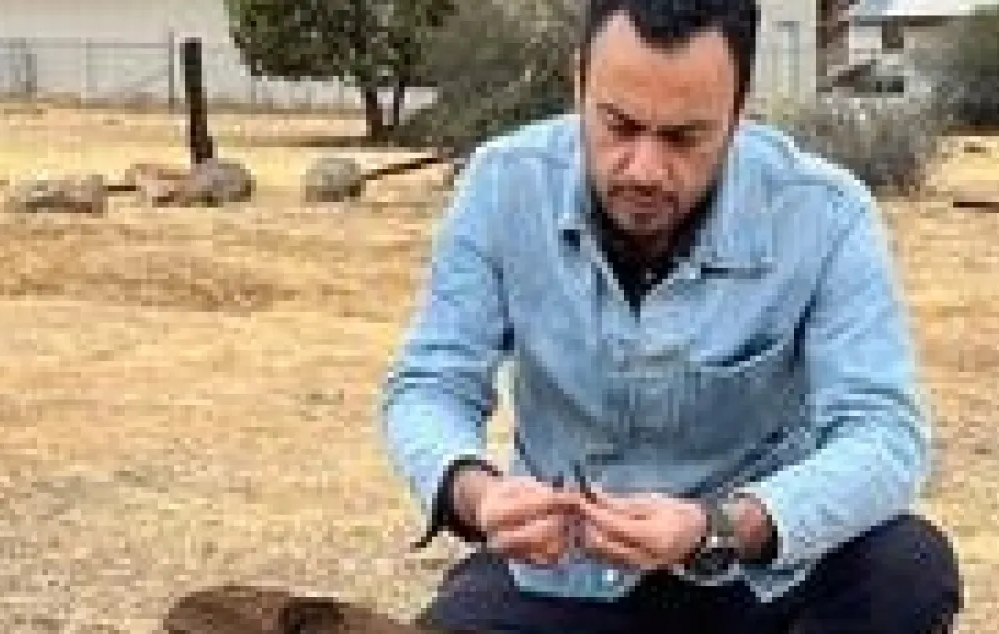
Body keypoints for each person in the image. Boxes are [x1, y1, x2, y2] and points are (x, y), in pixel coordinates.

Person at [377, 1, 961, 632]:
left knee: (908, 569)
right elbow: (430, 385)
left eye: (685, 137)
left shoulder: (826, 214)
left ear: (739, 111)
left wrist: (719, 528)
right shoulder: (503, 185)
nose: (645, 171)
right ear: (579, 83)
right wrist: (479, 494)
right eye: (619, 126)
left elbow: (883, 434)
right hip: (562, 574)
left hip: (753, 576)